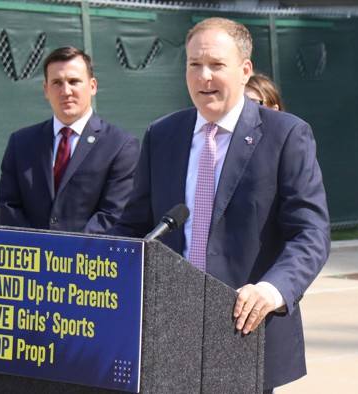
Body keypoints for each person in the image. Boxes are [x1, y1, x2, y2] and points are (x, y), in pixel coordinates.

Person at [109, 18, 330, 392]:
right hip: (169, 332)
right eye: (194, 65)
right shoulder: (162, 134)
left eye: (216, 65)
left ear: (245, 71)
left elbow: (311, 233)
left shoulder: (285, 135)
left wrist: (272, 290)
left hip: (245, 328)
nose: (203, 76)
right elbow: (134, 225)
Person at [0, 46, 140, 233]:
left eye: (74, 81)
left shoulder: (120, 145)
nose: (66, 91)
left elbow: (113, 213)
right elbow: (8, 206)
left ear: (92, 86)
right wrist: (36, 250)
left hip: (88, 258)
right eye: (57, 82)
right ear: (46, 90)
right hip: (32, 257)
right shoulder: (20, 143)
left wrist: (65, 254)